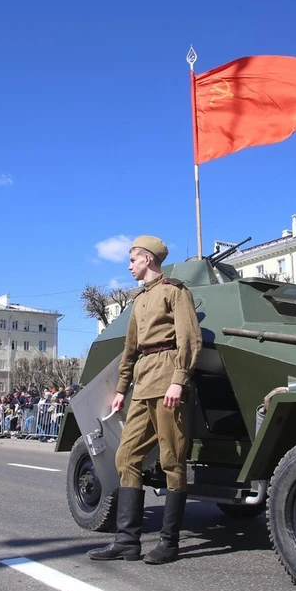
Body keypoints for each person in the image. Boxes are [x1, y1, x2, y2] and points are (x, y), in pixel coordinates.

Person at [88, 235, 202, 565]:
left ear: (148, 260)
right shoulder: (138, 301)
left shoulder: (175, 291)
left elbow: (189, 339)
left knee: (172, 461)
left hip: (168, 379)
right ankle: (127, 541)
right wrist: (122, 388)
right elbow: (131, 348)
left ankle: (169, 542)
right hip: (143, 383)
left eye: (133, 260)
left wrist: (179, 380)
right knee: (126, 457)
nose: (129, 266)